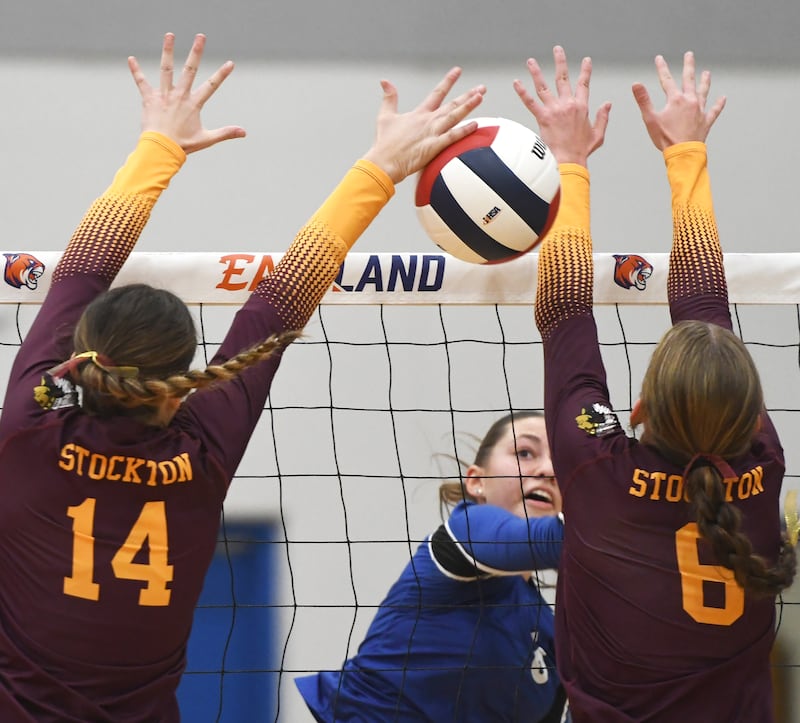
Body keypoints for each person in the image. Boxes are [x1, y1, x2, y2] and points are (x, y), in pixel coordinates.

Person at [0, 33, 485, 722]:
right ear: (184, 382)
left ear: (84, 355)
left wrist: (158, 146)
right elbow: (283, 296)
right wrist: (381, 164)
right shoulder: (201, 450)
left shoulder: (31, 423)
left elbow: (83, 267)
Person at [516, 46, 797, 721]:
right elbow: (572, 313)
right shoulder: (756, 466)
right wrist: (659, 156)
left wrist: (572, 164)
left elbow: (571, 308)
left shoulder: (757, 456)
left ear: (638, 407)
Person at [295, 410, 569, 722]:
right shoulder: (468, 528)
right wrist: (617, 500)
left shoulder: (550, 632)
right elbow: (555, 541)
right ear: (476, 481)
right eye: (524, 453)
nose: (548, 469)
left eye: (561, 461)